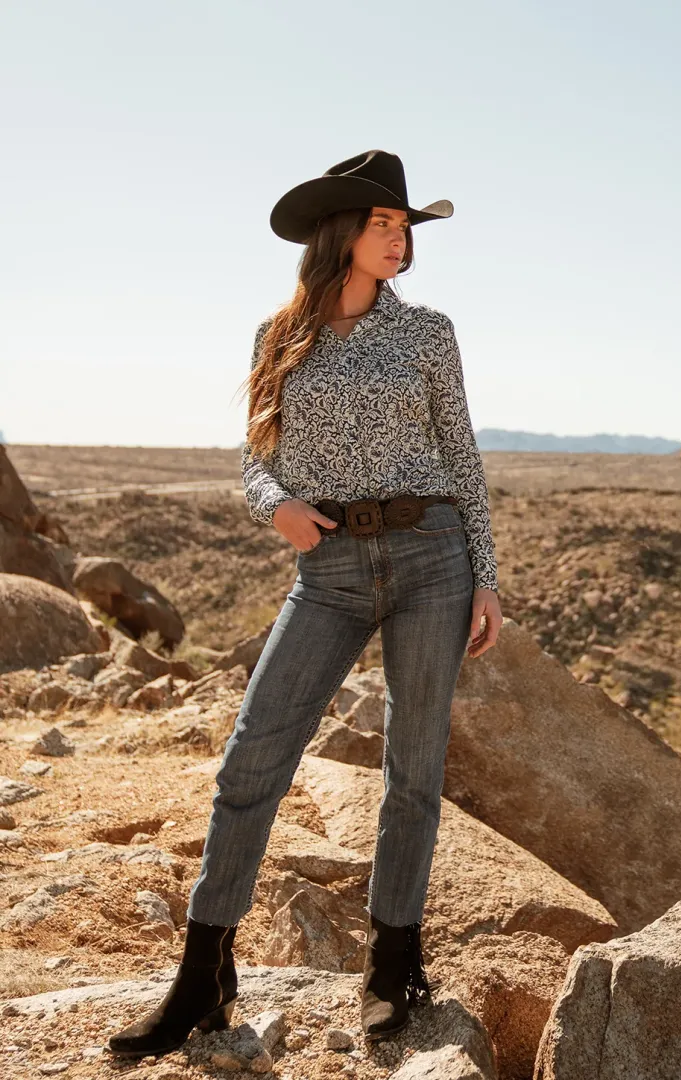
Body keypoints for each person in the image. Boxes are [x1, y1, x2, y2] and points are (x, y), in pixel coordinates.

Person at [108, 150, 503, 1058]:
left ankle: (393, 966)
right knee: (251, 759)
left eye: (405, 227)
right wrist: (275, 505)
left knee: (413, 768)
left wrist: (486, 575)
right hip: (328, 571)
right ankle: (203, 974)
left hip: (432, 557)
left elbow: (462, 454)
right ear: (341, 232)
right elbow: (255, 455)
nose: (399, 239)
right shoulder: (280, 334)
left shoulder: (429, 332)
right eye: (383, 223)